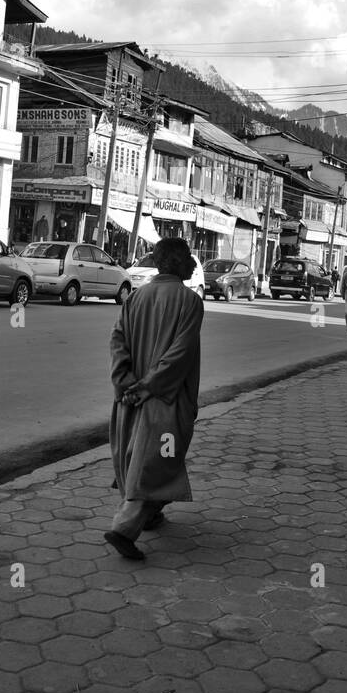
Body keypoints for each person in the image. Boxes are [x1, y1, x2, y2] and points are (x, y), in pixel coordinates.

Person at [105, 237, 204, 561]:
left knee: (142, 459)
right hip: (164, 400)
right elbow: (180, 354)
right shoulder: (189, 301)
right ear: (176, 262)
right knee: (157, 464)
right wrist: (148, 386)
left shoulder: (136, 297)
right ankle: (124, 527)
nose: (192, 263)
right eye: (188, 257)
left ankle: (153, 513)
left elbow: (117, 341)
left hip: (131, 399)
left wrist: (125, 382)